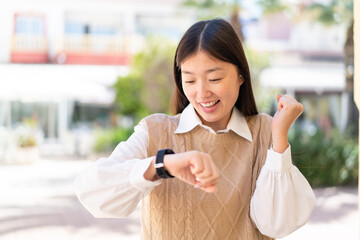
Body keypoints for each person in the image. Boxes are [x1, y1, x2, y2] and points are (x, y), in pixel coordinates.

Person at [75, 18, 316, 240]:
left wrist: (279, 137)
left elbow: (276, 224)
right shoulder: (156, 131)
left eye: (214, 79)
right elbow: (92, 191)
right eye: (189, 80)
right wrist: (163, 164)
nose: (201, 93)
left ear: (241, 75)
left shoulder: (264, 131)